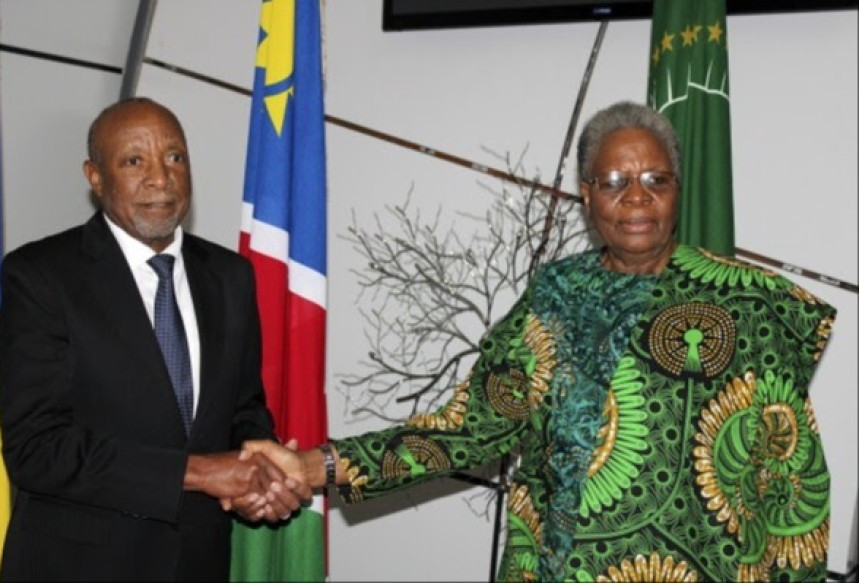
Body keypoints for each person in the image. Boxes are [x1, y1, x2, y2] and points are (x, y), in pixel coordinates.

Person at [240, 101, 836, 581]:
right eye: (614, 181)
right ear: (586, 194)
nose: (637, 197)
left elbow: (793, 482)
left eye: (656, 179)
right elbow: (469, 427)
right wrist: (315, 465)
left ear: (678, 189)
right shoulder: (555, 295)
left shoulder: (751, 303)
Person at [0, 97, 311, 581]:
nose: (161, 178)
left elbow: (242, 409)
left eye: (174, 157)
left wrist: (259, 481)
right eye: (133, 161)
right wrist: (202, 472)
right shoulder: (40, 275)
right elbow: (37, 449)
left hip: (198, 564)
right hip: (78, 566)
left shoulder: (230, 276)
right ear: (95, 176)